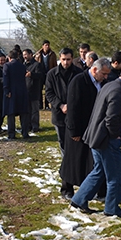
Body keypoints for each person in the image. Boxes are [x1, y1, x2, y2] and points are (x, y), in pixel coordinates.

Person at [70, 64, 121, 217]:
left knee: (99, 170)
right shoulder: (118, 92)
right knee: (116, 175)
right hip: (106, 140)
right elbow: (111, 119)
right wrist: (115, 135)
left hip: (96, 137)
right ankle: (111, 208)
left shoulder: (110, 85)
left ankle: (79, 199)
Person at [61, 58, 112, 198]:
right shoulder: (78, 81)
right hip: (78, 128)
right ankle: (67, 189)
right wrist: (73, 131)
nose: (106, 77)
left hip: (94, 128)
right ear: (95, 70)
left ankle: (99, 190)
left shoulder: (104, 83)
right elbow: (73, 108)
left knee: (94, 161)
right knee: (72, 160)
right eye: (104, 74)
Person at [45, 48, 83, 200]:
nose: (66, 62)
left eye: (68, 59)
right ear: (59, 59)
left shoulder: (79, 73)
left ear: (72, 59)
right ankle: (66, 188)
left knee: (76, 151)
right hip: (60, 117)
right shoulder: (52, 74)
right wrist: (60, 105)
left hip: (76, 117)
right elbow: (49, 93)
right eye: (63, 59)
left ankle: (80, 183)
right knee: (65, 152)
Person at [3, 49, 30, 139]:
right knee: (23, 113)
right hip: (22, 91)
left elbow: (6, 79)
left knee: (11, 113)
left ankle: (11, 134)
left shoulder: (7, 66)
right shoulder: (22, 66)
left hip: (11, 92)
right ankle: (25, 132)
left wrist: (7, 91)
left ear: (9, 58)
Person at [22, 48, 44, 132]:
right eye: (24, 55)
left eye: (26, 54)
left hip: (34, 90)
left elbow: (41, 75)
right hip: (25, 90)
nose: (25, 56)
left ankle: (35, 126)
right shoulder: (23, 65)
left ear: (31, 55)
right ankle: (28, 125)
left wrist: (32, 74)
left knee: (34, 110)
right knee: (27, 110)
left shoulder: (37, 65)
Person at [34, 39, 58, 109]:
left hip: (48, 74)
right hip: (40, 74)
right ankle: (40, 105)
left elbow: (55, 64)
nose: (47, 47)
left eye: (48, 45)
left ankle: (47, 105)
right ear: (43, 46)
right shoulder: (38, 54)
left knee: (48, 90)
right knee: (39, 90)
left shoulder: (52, 54)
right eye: (45, 45)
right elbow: (35, 64)